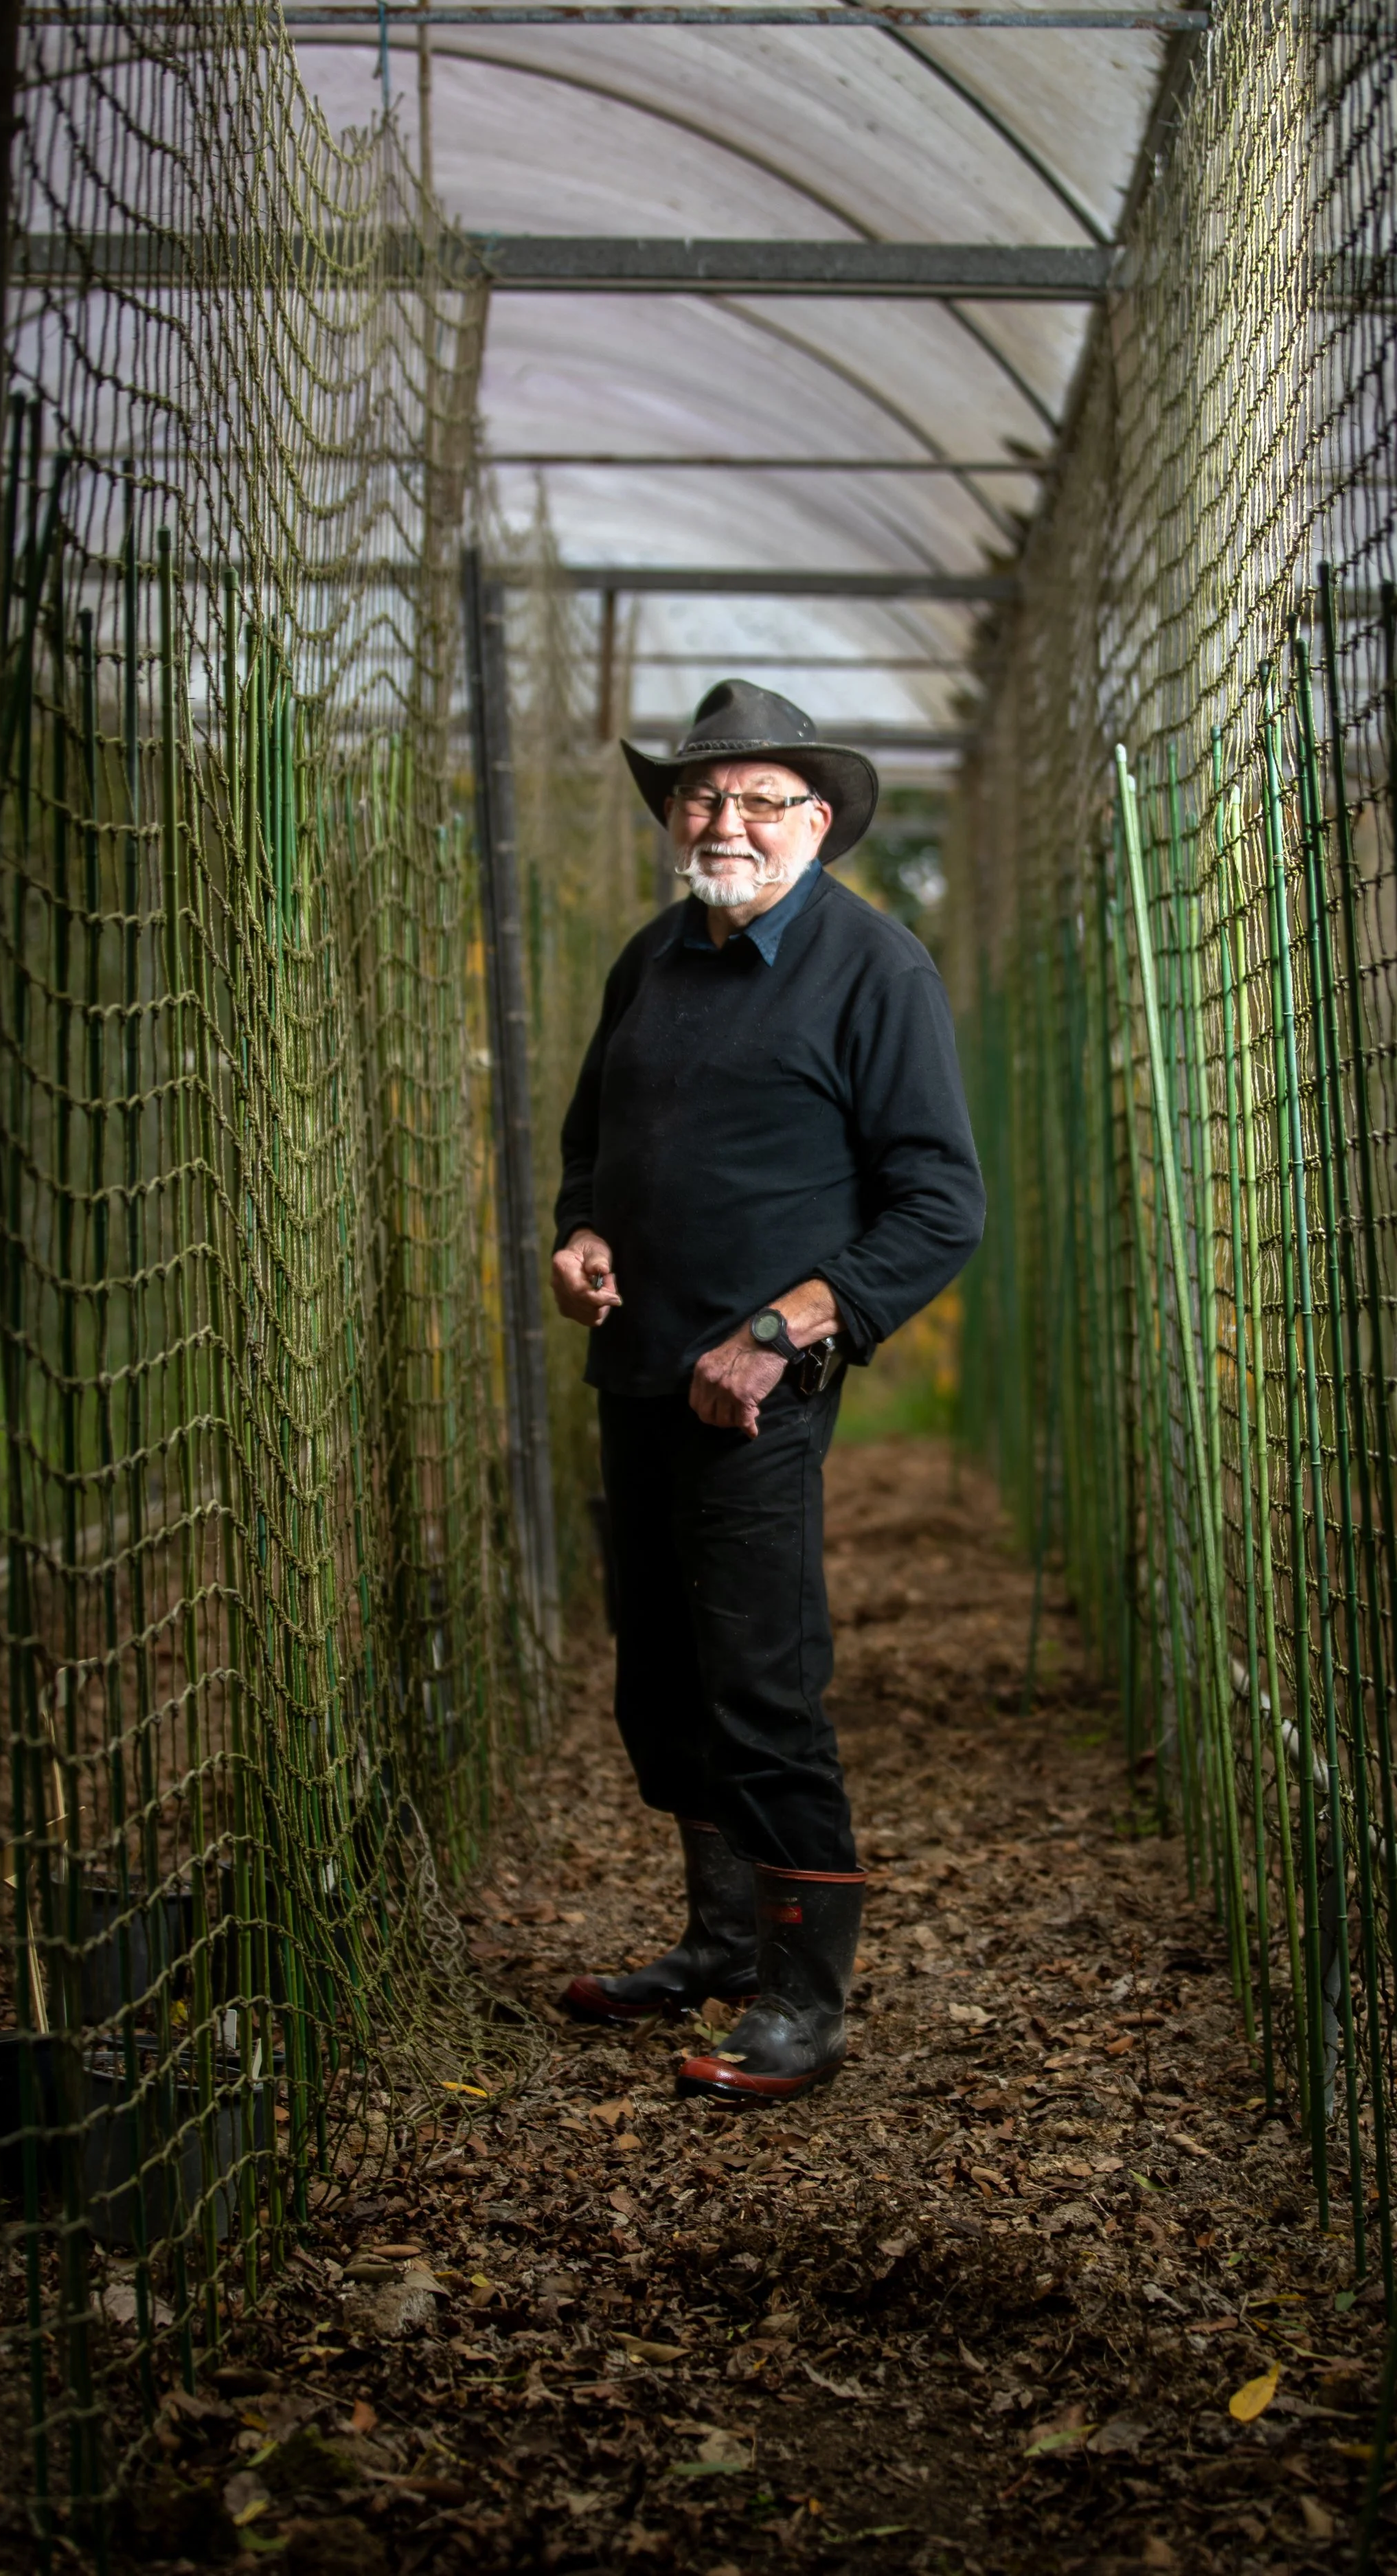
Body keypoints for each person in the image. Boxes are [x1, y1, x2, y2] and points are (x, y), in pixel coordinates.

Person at [550, 679, 985, 2103]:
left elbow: (937, 1207)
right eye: (700, 795)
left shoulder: (875, 972)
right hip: (636, 1367)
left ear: (817, 821)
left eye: (756, 798)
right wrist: (584, 1233)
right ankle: (721, 1943)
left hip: (755, 1391)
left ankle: (806, 2002)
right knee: (660, 1677)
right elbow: (584, 1144)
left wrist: (786, 1332)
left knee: (757, 1682)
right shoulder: (653, 958)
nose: (722, 820)